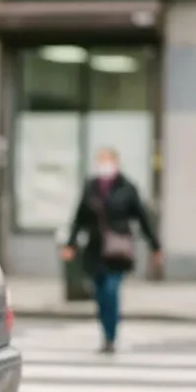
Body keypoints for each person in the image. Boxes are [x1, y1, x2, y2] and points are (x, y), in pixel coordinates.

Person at [61, 147, 163, 354]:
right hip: (96, 248)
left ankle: (111, 335)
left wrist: (155, 246)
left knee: (111, 290)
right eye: (101, 161)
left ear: (116, 163)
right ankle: (105, 331)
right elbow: (79, 218)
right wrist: (70, 244)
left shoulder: (127, 188)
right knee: (100, 294)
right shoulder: (91, 187)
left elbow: (142, 219)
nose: (104, 165)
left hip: (117, 250)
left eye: (108, 161)